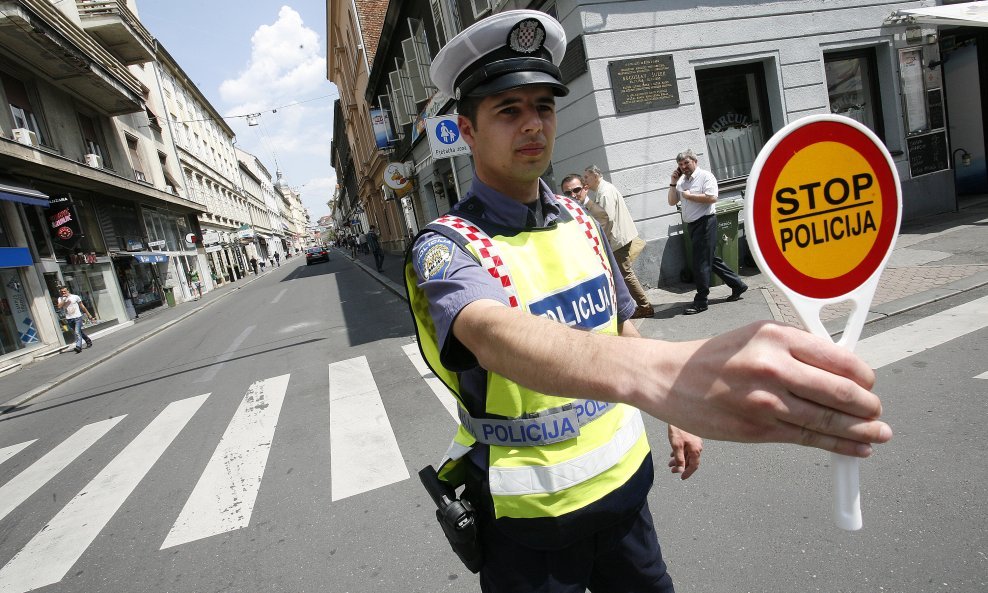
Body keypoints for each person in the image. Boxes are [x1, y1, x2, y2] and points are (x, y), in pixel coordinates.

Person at [406, 10, 890, 593]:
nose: (533, 124)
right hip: (530, 526)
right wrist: (668, 376)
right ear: (465, 129)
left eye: (544, 106)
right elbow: (488, 331)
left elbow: (620, 323)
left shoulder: (581, 221)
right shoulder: (447, 244)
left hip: (625, 493)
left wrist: (673, 411)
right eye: (508, 110)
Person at [668, 149, 748, 315]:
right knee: (710, 259)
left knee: (701, 263)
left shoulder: (705, 176)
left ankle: (701, 301)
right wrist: (673, 182)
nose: (683, 167)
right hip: (692, 226)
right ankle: (738, 285)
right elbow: (672, 201)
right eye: (681, 164)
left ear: (694, 162)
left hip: (705, 223)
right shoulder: (682, 181)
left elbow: (712, 198)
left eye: (686, 163)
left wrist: (690, 197)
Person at [583, 165, 654, 318]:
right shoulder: (604, 189)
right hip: (620, 237)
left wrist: (602, 241)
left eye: (586, 177)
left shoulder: (604, 192)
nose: (585, 181)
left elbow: (606, 219)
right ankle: (639, 305)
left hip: (616, 240)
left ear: (595, 176)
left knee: (625, 273)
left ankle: (645, 306)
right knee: (624, 273)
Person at [56, 286, 94, 353]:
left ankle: (78, 347)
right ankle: (88, 341)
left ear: (68, 291)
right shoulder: (60, 298)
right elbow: (59, 306)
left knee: (77, 332)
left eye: (65, 291)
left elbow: (82, 306)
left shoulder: (75, 297)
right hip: (69, 318)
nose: (63, 293)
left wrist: (89, 315)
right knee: (79, 332)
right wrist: (64, 299)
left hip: (77, 317)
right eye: (62, 292)